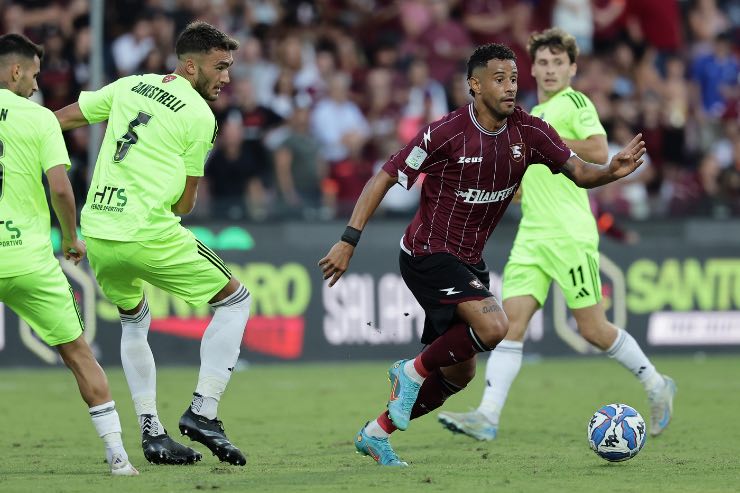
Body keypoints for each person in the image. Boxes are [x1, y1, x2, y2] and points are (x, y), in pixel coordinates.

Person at [318, 42, 647, 467]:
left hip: (469, 260)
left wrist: (610, 173)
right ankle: (410, 371)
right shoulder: (445, 133)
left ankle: (376, 432)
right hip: (426, 251)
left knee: (460, 374)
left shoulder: (531, 131)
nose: (511, 87)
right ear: (474, 85)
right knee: (495, 327)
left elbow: (581, 172)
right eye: (499, 79)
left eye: (513, 78)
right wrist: (348, 239)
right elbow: (384, 175)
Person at [437, 28, 676, 442]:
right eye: (543, 63)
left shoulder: (573, 102)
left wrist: (543, 140)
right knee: (510, 325)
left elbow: (599, 152)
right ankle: (487, 416)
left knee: (593, 330)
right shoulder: (528, 114)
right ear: (533, 69)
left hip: (570, 234)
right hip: (532, 233)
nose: (549, 70)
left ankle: (657, 385)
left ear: (572, 68)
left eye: (557, 63)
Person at [55, 22, 250, 466]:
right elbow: (184, 203)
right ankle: (204, 411)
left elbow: (62, 119)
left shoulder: (130, 85)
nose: (226, 77)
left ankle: (152, 431)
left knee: (134, 319)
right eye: (220, 67)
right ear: (190, 65)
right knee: (236, 299)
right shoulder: (201, 117)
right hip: (147, 230)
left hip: (99, 228)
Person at [0, 33, 137, 476]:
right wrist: (71, 237)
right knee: (78, 352)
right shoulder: (38, 120)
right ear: (16, 71)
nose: (37, 85)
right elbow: (60, 187)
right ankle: (118, 456)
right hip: (27, 259)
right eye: (35, 75)